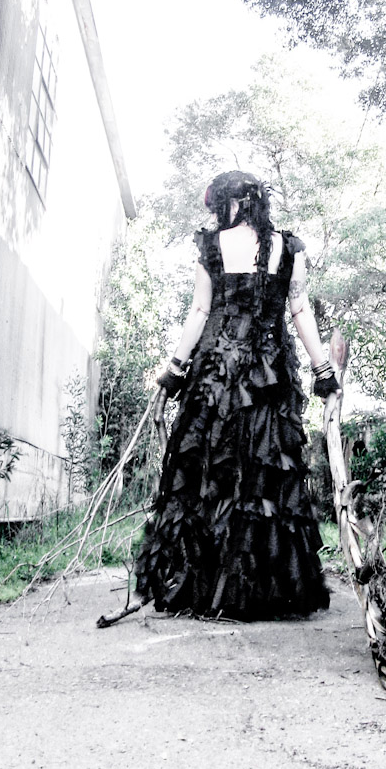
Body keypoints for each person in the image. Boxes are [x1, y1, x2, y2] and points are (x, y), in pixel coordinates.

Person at [133, 170, 340, 621]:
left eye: (219, 207)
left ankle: (209, 587)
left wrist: (174, 371)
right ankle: (262, 591)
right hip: (268, 374)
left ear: (231, 204)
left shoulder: (212, 246)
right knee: (263, 477)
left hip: (216, 373)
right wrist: (322, 369)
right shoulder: (288, 247)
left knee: (211, 473)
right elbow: (300, 309)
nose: (217, 215)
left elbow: (200, 311)